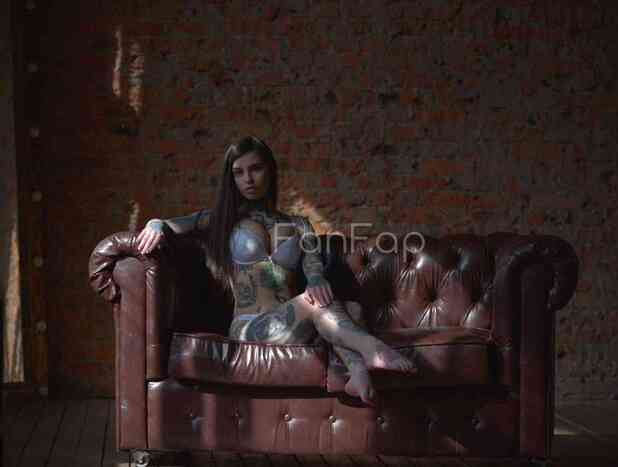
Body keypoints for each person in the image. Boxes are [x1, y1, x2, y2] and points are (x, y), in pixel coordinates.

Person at [135, 136, 416, 405]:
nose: (248, 179)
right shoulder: (223, 219)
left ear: (270, 170)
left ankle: (357, 374)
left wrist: (316, 279)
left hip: (293, 323)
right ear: (232, 179)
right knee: (318, 303)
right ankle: (371, 350)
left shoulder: (299, 224)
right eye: (239, 172)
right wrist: (155, 224)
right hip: (250, 327)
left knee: (352, 308)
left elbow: (313, 264)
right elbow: (174, 224)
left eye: (256, 169)